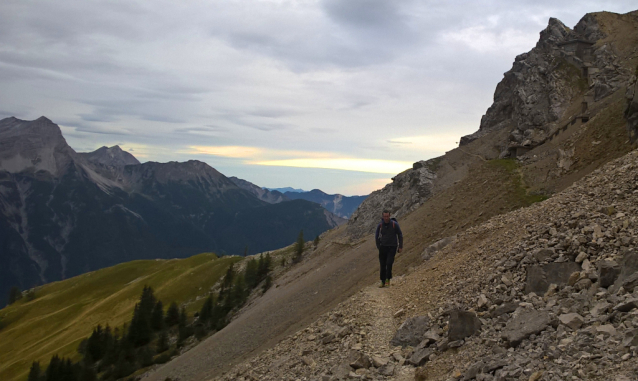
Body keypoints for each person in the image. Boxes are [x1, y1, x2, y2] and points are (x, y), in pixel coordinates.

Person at [375, 210, 403, 287]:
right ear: (382, 217)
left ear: (389, 216)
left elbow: (400, 234)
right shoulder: (380, 225)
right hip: (383, 247)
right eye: (385, 216)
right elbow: (376, 236)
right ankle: (382, 281)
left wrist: (400, 246)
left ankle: (388, 279)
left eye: (387, 216)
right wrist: (378, 246)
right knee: (382, 264)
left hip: (392, 247)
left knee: (389, 263)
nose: (386, 218)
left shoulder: (394, 224)